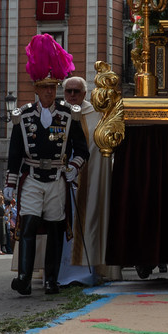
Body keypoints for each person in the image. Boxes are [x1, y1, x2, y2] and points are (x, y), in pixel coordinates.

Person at [7, 32, 88, 295]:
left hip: (57, 178)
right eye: (45, 87)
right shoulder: (23, 115)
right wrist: (10, 181)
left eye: (53, 87)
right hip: (31, 176)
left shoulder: (69, 114)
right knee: (28, 225)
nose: (49, 92)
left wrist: (73, 167)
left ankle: (52, 279)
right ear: (36, 89)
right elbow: (15, 151)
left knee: (54, 228)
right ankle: (25, 279)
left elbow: (82, 149)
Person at [61, 73, 115, 283]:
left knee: (90, 219)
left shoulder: (97, 114)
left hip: (91, 178)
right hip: (61, 181)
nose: (72, 95)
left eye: (77, 91)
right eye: (69, 91)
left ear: (85, 93)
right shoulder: (58, 113)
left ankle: (90, 269)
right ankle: (59, 271)